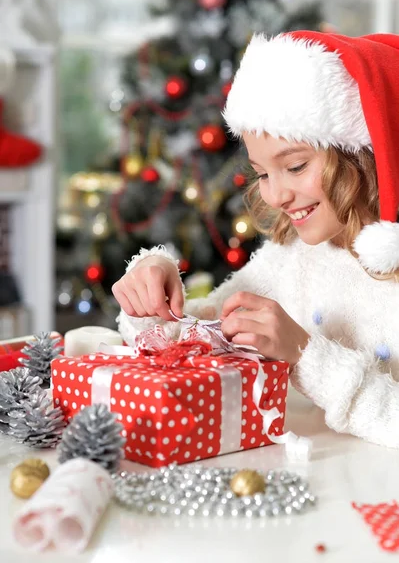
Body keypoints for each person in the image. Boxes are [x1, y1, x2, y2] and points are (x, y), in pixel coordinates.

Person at [112, 31, 399, 449]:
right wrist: (150, 294)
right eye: (263, 173)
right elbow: (192, 335)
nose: (276, 195)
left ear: (365, 154)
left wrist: (305, 354)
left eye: (296, 166)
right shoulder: (291, 258)